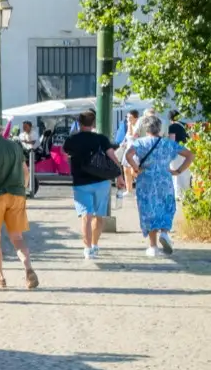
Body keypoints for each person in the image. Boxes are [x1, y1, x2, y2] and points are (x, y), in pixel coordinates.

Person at [0, 114, 37, 289]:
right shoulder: (15, 146)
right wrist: (22, 189)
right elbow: (25, 172)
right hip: (17, 195)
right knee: (17, 237)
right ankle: (28, 269)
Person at [124, 115, 194, 257]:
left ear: (146, 128)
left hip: (146, 181)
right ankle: (165, 233)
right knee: (166, 205)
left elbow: (128, 155)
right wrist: (178, 171)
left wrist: (136, 168)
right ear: (160, 129)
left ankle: (153, 246)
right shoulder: (168, 144)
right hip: (164, 179)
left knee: (148, 209)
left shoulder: (140, 143)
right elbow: (189, 155)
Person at [63, 110, 117, 259]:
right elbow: (112, 155)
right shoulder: (101, 139)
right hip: (101, 181)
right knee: (98, 216)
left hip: (81, 182)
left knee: (86, 216)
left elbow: (65, 153)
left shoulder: (72, 140)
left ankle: (87, 249)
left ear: (79, 123)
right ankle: (95, 244)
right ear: (93, 123)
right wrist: (119, 174)